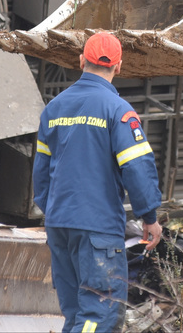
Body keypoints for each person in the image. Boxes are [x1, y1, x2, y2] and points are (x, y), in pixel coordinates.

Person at [33, 31, 163, 333]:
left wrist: (54, 211)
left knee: (77, 314)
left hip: (60, 225)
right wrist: (149, 217)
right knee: (99, 315)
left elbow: (41, 175)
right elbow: (137, 167)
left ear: (81, 61)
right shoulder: (118, 111)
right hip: (98, 228)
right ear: (119, 67)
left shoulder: (53, 110)